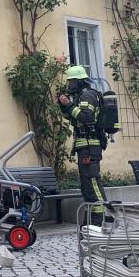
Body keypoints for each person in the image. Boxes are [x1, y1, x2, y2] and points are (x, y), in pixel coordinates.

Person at [58, 65, 108, 224]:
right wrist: (64, 105)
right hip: (84, 146)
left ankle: (100, 217)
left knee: (92, 181)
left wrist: (70, 105)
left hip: (90, 146)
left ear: (80, 81)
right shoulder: (81, 96)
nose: (70, 86)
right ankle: (91, 216)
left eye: (72, 83)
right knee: (86, 185)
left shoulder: (88, 96)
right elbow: (73, 117)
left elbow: (86, 117)